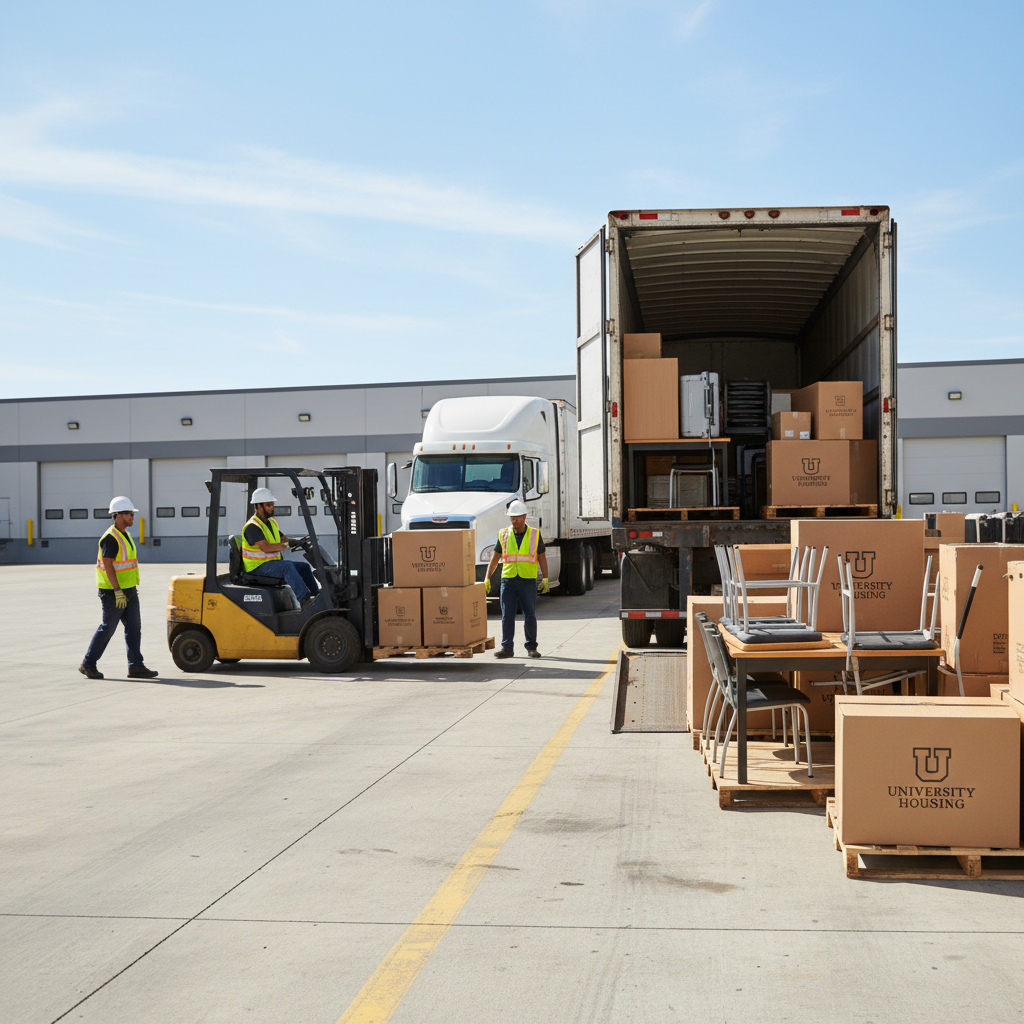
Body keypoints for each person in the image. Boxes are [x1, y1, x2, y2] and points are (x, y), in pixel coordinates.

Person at [79, 496, 159, 680]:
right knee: (108, 628)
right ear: (117, 515)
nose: (132, 517)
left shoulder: (126, 535)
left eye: (132, 514)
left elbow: (127, 565)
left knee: (134, 628)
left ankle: (136, 667)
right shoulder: (110, 538)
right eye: (129, 514)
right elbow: (108, 565)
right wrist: (117, 591)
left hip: (128, 591)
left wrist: (130, 588)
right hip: (112, 592)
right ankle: (88, 663)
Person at [484, 500, 549, 659]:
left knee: (530, 615)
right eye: (512, 517)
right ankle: (507, 648)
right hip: (508, 580)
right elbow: (495, 558)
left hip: (527, 580)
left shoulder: (535, 534)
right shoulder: (503, 534)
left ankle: (531, 648)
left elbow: (542, 558)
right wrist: (487, 577)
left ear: (524, 516)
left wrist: (546, 578)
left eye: (517, 517)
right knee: (507, 615)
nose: (514, 520)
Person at [241, 487, 320, 602]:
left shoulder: (271, 522)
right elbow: (266, 547)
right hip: (257, 567)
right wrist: (287, 545)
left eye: (272, 505)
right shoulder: (253, 526)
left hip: (271, 564)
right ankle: (304, 600)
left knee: (304, 567)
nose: (272, 508)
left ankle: (316, 596)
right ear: (259, 506)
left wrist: (298, 542)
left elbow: (283, 539)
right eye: (268, 505)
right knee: (286, 567)